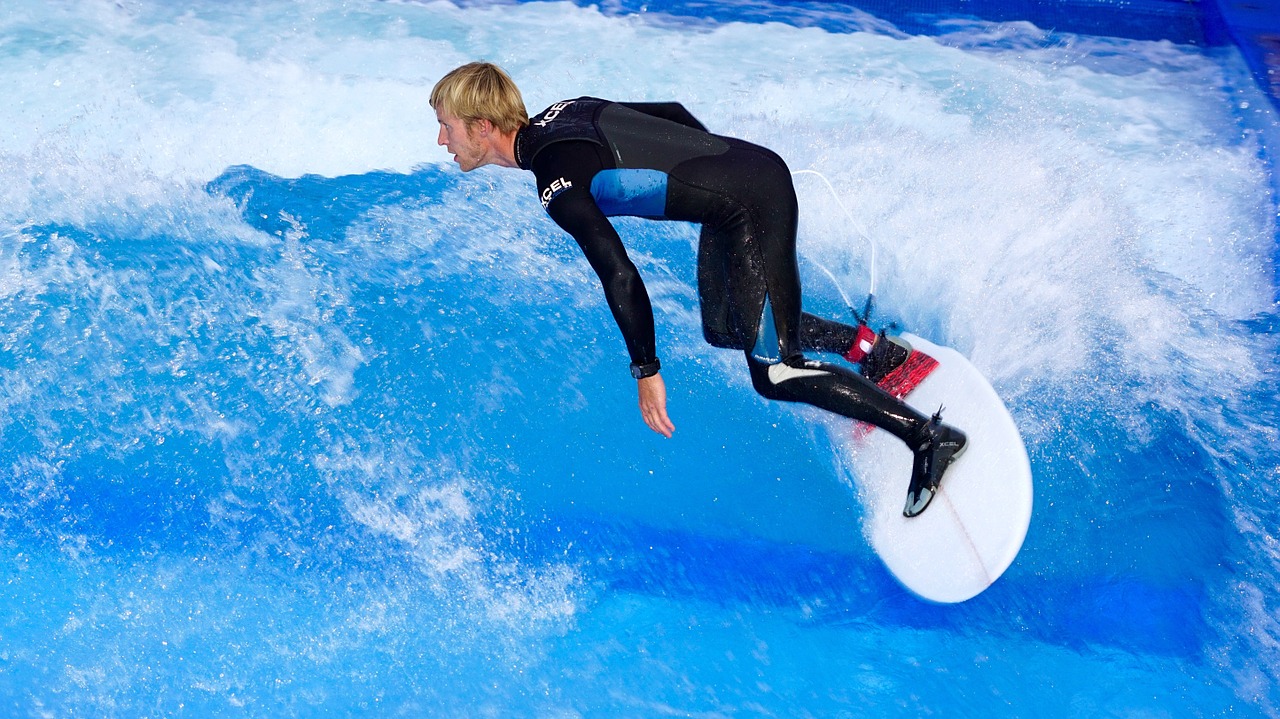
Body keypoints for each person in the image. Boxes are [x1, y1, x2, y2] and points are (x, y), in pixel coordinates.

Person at [429, 62, 966, 517]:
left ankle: (928, 438)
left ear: (481, 126)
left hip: (747, 203)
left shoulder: (554, 179)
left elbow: (618, 273)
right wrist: (710, 183)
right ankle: (879, 355)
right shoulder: (565, 111)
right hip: (742, 184)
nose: (441, 141)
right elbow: (672, 114)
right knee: (726, 326)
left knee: (776, 373)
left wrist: (646, 371)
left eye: (446, 126)